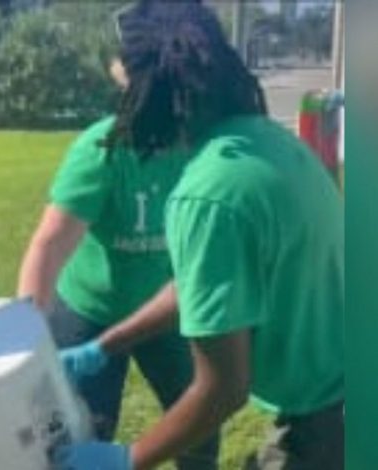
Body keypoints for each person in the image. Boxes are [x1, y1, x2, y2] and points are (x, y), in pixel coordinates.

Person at [56, 1, 344, 469]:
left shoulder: (208, 195)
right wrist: (108, 343)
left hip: (327, 420)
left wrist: (126, 458)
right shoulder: (266, 142)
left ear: (146, 90)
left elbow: (222, 390)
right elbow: (204, 284)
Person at [17, 28, 219, 469]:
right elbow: (49, 246)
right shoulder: (101, 148)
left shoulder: (203, 145)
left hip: (170, 309)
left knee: (199, 424)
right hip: (91, 310)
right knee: (82, 431)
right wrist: (26, 333)